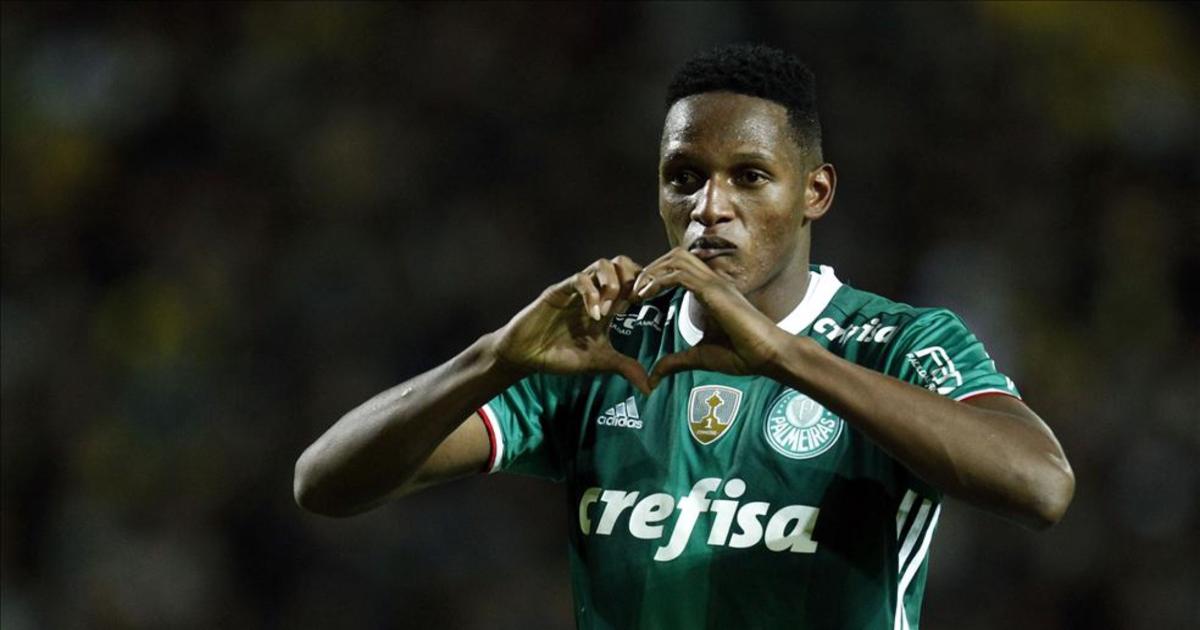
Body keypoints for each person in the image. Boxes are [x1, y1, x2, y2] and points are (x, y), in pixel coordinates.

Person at [293, 44, 1074, 629]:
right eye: (685, 176)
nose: (709, 207)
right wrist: (492, 358)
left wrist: (784, 357)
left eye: (749, 176)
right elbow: (324, 484)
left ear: (815, 192)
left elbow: (1041, 486)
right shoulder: (603, 345)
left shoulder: (896, 342)